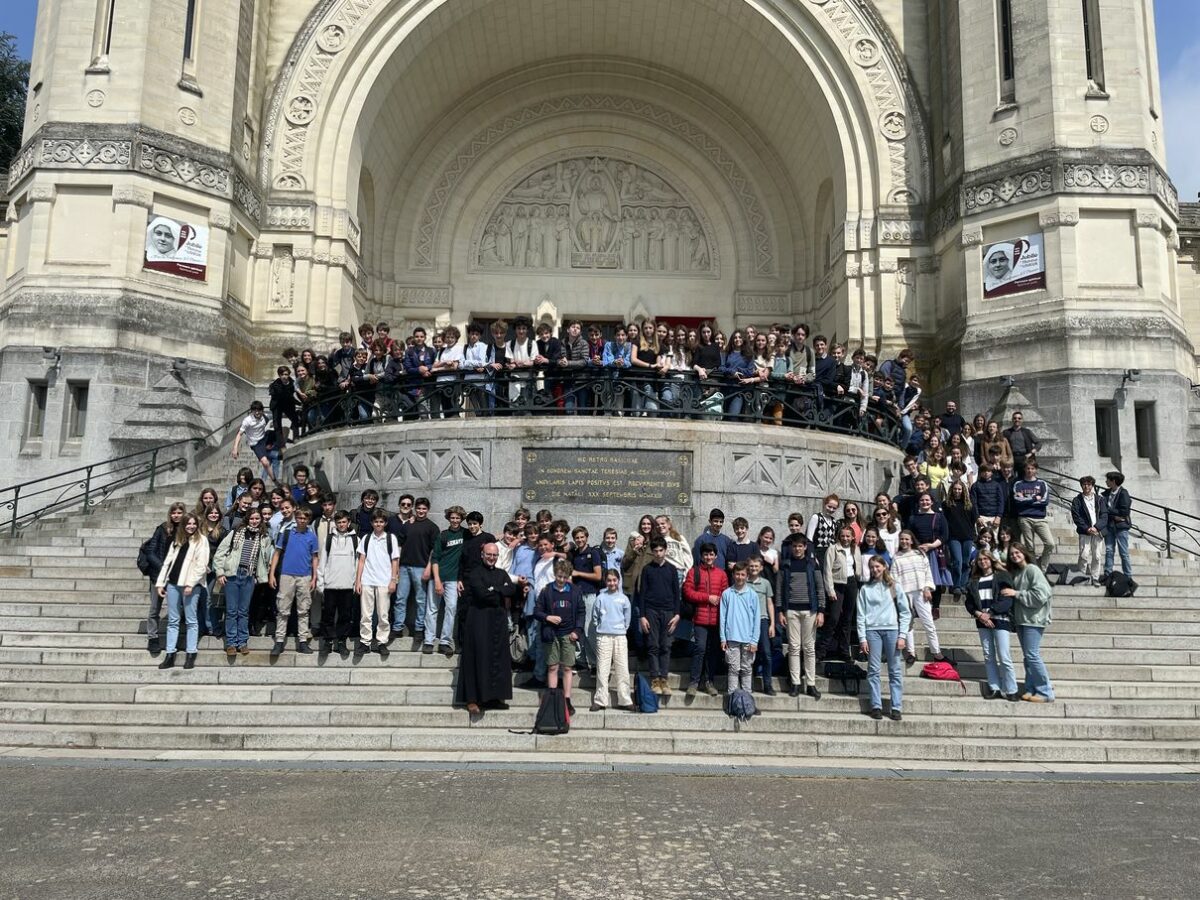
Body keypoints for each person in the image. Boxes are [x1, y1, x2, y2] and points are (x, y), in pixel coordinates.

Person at [457, 542, 517, 714]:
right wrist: (500, 591)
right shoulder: (475, 572)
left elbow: (511, 589)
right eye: (489, 554)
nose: (492, 558)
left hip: (498, 621)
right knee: (478, 656)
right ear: (482, 555)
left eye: (494, 555)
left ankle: (494, 697)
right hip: (479, 620)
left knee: (497, 656)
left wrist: (495, 589)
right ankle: (472, 699)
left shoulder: (502, 573)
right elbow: (482, 595)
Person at [856, 556, 912, 720]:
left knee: (894, 670)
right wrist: (862, 638)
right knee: (873, 669)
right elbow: (860, 615)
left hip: (892, 630)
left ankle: (896, 707)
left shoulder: (894, 586)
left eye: (877, 566)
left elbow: (905, 612)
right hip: (872, 631)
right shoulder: (865, 589)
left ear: (884, 566)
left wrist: (902, 636)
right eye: (872, 567)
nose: (875, 570)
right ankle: (876, 706)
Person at [212, 508, 272, 657]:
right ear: (247, 519)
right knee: (232, 611)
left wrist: (259, 575)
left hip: (249, 576)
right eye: (252, 518)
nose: (254, 521)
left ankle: (242, 642)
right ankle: (231, 643)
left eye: (257, 518)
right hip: (233, 574)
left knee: (243, 611)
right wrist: (220, 572)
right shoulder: (236, 533)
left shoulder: (264, 537)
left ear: (261, 520)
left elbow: (266, 559)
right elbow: (220, 553)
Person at [154, 513, 210, 670]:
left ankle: (191, 653)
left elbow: (201, 565)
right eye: (188, 524)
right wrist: (160, 583)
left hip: (190, 585)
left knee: (191, 620)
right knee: (173, 620)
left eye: (193, 523)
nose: (191, 526)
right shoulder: (178, 539)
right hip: (173, 583)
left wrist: (191, 584)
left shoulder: (201, 540)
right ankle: (170, 654)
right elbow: (167, 562)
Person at [534, 559, 586, 716]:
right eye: (559, 576)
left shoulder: (575, 591)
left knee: (568, 667)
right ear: (555, 574)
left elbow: (581, 612)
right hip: (552, 634)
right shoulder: (547, 590)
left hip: (569, 634)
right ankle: (551, 698)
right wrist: (548, 617)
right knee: (552, 667)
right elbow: (537, 611)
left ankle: (567, 699)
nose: (561, 580)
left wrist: (577, 631)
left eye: (564, 577)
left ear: (569, 576)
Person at [964, 553, 1019, 700]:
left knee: (1004, 656)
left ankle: (1011, 689)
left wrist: (990, 613)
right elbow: (969, 602)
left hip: (1000, 620)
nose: (983, 562)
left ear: (991, 560)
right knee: (988, 656)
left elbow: (1006, 600)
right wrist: (979, 614)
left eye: (985, 559)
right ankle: (994, 688)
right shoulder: (974, 580)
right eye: (980, 560)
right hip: (982, 621)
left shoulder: (1002, 576)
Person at [776, 534, 825, 699]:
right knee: (794, 647)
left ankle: (811, 684)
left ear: (805, 547)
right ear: (791, 547)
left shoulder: (812, 564)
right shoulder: (785, 565)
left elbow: (820, 588)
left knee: (809, 648)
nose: (797, 549)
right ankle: (795, 683)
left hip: (810, 611)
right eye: (795, 546)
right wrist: (780, 611)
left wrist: (821, 611)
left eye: (800, 546)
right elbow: (779, 590)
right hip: (791, 611)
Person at [1005, 543, 1055, 702]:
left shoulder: (1032, 569)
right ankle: (1031, 688)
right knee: (1028, 657)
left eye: (1017, 552)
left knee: (1032, 655)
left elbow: (1042, 594)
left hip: (1034, 619)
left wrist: (1016, 593)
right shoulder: (1017, 572)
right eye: (1012, 554)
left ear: (1024, 553)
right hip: (1022, 619)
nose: (1015, 556)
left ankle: (1045, 692)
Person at [268, 507, 320, 656]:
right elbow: (277, 553)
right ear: (295, 518)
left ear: (308, 520)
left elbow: (315, 557)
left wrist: (314, 577)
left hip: (304, 576)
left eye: (305, 518)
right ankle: (279, 640)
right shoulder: (286, 533)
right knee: (283, 609)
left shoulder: (312, 537)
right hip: (286, 574)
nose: (302, 521)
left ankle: (302, 641)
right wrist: (272, 574)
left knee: (303, 609)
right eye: (299, 518)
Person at [891, 529, 947, 666]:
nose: (904, 541)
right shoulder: (896, 557)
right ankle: (911, 652)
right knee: (908, 624)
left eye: (906, 539)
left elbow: (927, 572)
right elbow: (893, 578)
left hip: (921, 592)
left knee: (929, 623)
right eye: (902, 539)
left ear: (911, 540)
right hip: (904, 593)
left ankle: (937, 653)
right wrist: (898, 595)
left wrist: (927, 588)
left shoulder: (920, 554)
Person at [634, 536, 681, 695]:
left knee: (666, 646)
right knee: (653, 645)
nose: (659, 553)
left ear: (665, 551)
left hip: (668, 612)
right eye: (655, 551)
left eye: (661, 550)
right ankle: (655, 679)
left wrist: (677, 614)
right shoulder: (647, 569)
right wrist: (642, 616)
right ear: (652, 552)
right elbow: (642, 594)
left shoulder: (672, 569)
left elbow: (677, 593)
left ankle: (664, 679)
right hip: (651, 611)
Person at [683, 542, 729, 698]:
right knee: (700, 649)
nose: (708, 557)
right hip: (700, 618)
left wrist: (718, 599)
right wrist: (707, 598)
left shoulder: (722, 574)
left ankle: (709, 681)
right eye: (706, 554)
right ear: (701, 556)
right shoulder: (694, 572)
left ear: (715, 556)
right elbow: (687, 591)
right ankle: (694, 682)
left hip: (716, 619)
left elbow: (725, 594)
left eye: (711, 554)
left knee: (713, 651)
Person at [142, 501, 186, 655]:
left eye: (179, 513)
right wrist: (163, 568)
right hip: (159, 575)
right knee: (155, 608)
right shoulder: (162, 529)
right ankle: (153, 637)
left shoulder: (187, 529)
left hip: (178, 576)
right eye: (174, 513)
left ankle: (175, 639)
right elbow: (151, 551)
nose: (176, 515)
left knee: (177, 609)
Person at [591, 569, 634, 712]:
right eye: (609, 580)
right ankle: (600, 700)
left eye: (614, 580)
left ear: (618, 581)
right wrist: (602, 628)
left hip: (620, 636)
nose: (612, 583)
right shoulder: (600, 598)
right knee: (602, 669)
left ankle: (625, 699)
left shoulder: (624, 599)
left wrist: (622, 629)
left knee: (622, 668)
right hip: (604, 636)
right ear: (605, 581)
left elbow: (627, 618)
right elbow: (595, 617)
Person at [318, 511, 360, 654]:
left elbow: (357, 563)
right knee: (328, 615)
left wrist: (356, 583)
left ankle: (341, 642)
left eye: (344, 522)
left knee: (345, 616)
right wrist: (321, 582)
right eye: (339, 522)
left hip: (347, 585)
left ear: (349, 522)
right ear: (335, 523)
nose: (341, 525)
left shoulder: (356, 540)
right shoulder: (329, 539)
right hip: (330, 585)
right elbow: (322, 561)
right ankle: (328, 641)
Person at [426, 506, 466, 656]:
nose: (455, 520)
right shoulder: (443, 535)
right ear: (448, 518)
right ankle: (429, 640)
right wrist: (437, 579)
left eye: (457, 518)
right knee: (432, 609)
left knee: (451, 609)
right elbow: (435, 558)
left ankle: (445, 641)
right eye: (452, 518)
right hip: (438, 577)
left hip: (453, 579)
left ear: (461, 519)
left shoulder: (466, 534)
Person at [821, 525, 860, 661]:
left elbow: (858, 567)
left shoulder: (855, 549)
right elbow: (827, 571)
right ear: (839, 536)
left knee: (847, 620)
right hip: (837, 584)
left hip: (851, 583)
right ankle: (822, 651)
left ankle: (844, 651)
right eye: (842, 536)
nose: (845, 538)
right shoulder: (833, 549)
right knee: (833, 618)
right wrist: (830, 590)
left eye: (848, 536)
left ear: (852, 537)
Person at [719, 563, 759, 695]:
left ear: (747, 576)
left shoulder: (752, 595)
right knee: (733, 669)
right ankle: (732, 697)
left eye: (743, 574)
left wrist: (754, 640)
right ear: (733, 575)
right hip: (732, 637)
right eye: (737, 574)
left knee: (747, 669)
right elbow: (722, 618)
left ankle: (747, 698)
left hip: (748, 639)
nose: (740, 577)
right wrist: (723, 638)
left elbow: (756, 619)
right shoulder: (726, 594)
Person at [1011, 460, 1056, 568]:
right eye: (1028, 468)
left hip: (1040, 518)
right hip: (1024, 518)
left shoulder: (1042, 484)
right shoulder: (1019, 484)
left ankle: (1042, 568)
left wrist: (1025, 499)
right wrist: (1035, 498)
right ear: (1024, 469)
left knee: (1050, 544)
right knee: (1029, 547)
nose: (1030, 471)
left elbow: (1044, 501)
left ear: (1036, 470)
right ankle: (1033, 568)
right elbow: (1018, 501)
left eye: (1032, 468)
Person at [744, 556, 777, 695]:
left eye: (756, 566)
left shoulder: (766, 583)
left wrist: (772, 624)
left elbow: (770, 603)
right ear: (748, 567)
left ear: (761, 568)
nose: (753, 568)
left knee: (767, 653)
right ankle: (748, 684)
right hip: (747, 621)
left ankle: (767, 684)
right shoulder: (743, 583)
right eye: (751, 566)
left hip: (762, 620)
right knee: (749, 654)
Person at [1071, 475, 1109, 586]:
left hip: (1097, 531)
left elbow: (1104, 515)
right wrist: (1087, 528)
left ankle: (1095, 578)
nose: (1086, 486)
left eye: (1089, 484)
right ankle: (1081, 577)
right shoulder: (1077, 500)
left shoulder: (1100, 499)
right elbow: (1076, 517)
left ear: (1092, 486)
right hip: (1085, 532)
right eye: (1084, 484)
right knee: (1084, 555)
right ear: (1081, 486)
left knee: (1097, 556)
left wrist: (1096, 527)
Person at [231, 401, 275, 483]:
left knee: (278, 431)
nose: (257, 413)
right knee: (265, 462)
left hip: (264, 437)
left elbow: (276, 415)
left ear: (262, 410)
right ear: (252, 411)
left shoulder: (265, 417)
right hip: (256, 443)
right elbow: (239, 434)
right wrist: (235, 448)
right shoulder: (247, 420)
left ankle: (276, 449)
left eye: (259, 411)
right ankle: (274, 479)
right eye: (255, 411)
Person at [1102, 470, 1133, 583]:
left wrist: (1109, 510)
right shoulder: (1106, 493)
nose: (1106, 482)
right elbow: (1102, 509)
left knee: (1123, 552)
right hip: (1109, 525)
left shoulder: (1123, 493)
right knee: (1109, 550)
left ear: (1113, 481)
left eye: (1108, 480)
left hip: (1121, 527)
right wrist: (1114, 515)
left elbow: (1124, 511)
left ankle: (1128, 577)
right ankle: (1107, 574)